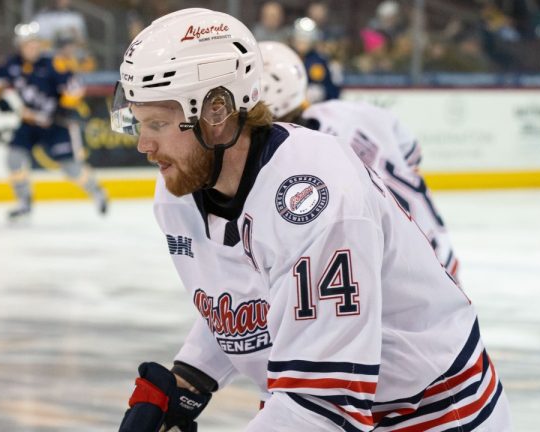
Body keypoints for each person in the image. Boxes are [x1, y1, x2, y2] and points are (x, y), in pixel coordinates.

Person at [112, 8, 510, 432]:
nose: (144, 144)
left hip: (433, 414)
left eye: (157, 123)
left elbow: (324, 408)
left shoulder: (314, 197)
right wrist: (189, 382)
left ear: (216, 112)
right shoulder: (180, 191)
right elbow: (249, 300)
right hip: (316, 397)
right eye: (139, 122)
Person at [259, 40, 461, 279]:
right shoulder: (352, 113)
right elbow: (410, 152)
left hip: (394, 280)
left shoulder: (291, 158)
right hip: (440, 255)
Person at [0, 21, 108, 220]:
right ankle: (24, 202)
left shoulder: (53, 63)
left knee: (70, 167)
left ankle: (97, 192)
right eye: (28, 44)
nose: (33, 47)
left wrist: (63, 109)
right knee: (14, 158)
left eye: (35, 43)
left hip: (55, 125)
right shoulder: (12, 64)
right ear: (20, 46)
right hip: (30, 124)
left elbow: (74, 89)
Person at [290, 17, 342, 103]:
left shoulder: (320, 61)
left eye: (306, 39)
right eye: (299, 38)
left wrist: (322, 92)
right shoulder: (287, 58)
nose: (302, 42)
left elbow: (333, 89)